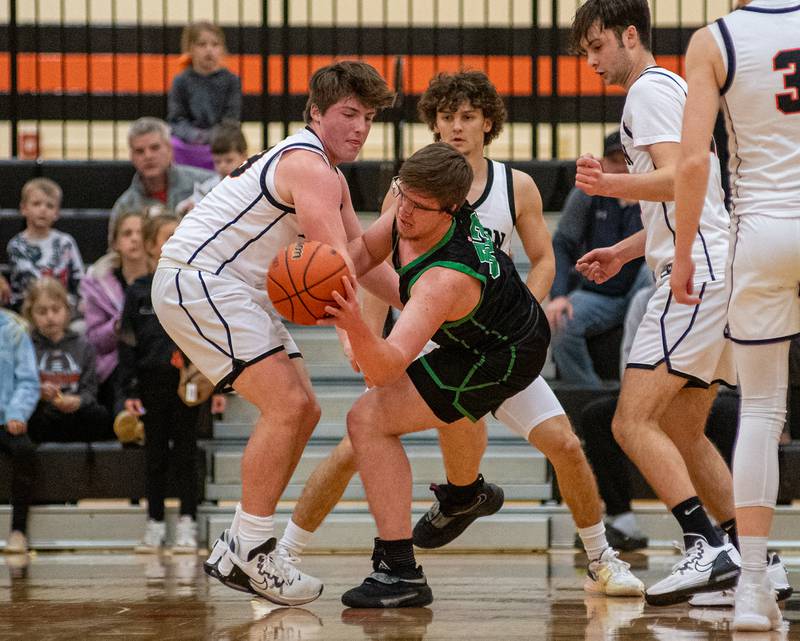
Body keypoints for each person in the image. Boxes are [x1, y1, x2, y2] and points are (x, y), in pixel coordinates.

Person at [270, 70, 643, 599]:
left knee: (559, 442)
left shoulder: (506, 194)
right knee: (363, 436)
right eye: (447, 117)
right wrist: (327, 285)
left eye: (467, 116)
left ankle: (599, 557)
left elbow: (543, 260)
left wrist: (355, 324)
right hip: (450, 328)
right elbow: (368, 258)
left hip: (496, 345)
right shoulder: (414, 190)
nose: (456, 126)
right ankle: (288, 550)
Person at [151, 60, 398, 604]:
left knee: (304, 408)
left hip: (231, 289)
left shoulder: (325, 171)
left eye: (369, 118)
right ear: (316, 112)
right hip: (200, 279)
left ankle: (242, 544)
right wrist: (354, 336)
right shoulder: (309, 166)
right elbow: (336, 262)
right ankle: (252, 549)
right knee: (287, 404)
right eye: (349, 114)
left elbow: (361, 258)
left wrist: (427, 305)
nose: (360, 127)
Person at [320, 142, 550, 608]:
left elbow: (384, 368)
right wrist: (321, 276)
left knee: (367, 419)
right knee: (438, 411)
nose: (402, 211)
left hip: (506, 352)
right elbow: (364, 250)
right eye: (401, 195)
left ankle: (399, 571)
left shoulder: (444, 278)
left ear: (452, 209)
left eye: (418, 206)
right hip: (480, 325)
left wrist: (352, 323)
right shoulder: (415, 203)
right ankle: (465, 495)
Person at [569, 0, 741, 607]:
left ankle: (705, 542)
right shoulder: (668, 90)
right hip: (715, 262)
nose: (591, 61)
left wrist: (609, 184)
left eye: (597, 46)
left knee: (629, 421)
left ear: (630, 35)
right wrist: (621, 251)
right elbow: (691, 197)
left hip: (695, 272)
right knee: (683, 429)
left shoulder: (648, 92)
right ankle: (748, 560)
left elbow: (678, 180)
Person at [671, 0, 800, 630]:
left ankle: (752, 588)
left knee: (761, 408)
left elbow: (695, 160)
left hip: (763, 233)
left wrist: (684, 249)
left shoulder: (714, 39)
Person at [118, 212, 210, 553]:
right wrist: (127, 391)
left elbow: (207, 338)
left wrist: (212, 383)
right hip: (150, 383)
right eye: (167, 237)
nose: (175, 241)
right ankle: (154, 523)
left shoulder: (195, 286)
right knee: (154, 454)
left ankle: (188, 522)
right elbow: (127, 344)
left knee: (186, 454)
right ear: (151, 246)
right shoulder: (139, 291)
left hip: (188, 385)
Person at [546, 131, 647, 387]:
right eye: (615, 160)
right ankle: (595, 396)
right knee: (559, 323)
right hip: (601, 293)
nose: (623, 168)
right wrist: (558, 295)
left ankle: (636, 396)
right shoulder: (588, 194)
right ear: (603, 163)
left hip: (645, 290)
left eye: (628, 160)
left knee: (650, 274)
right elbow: (561, 243)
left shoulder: (655, 191)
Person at [22, 278, 112, 444]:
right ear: (31, 315)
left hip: (75, 412)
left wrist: (78, 401)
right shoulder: (25, 347)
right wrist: (38, 392)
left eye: (56, 310)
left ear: (67, 311)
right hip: (43, 414)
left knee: (100, 414)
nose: (50, 317)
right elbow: (19, 389)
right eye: (42, 312)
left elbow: (90, 390)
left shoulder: (84, 346)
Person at [81, 210, 148, 417]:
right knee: (123, 372)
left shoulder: (166, 279)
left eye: (141, 233)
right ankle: (126, 419)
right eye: (127, 234)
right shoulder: (97, 283)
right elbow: (95, 340)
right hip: (115, 363)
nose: (135, 238)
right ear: (115, 243)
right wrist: (120, 325)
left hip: (156, 358)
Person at [108, 117, 214, 245]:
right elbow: (116, 253)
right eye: (139, 151)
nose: (148, 156)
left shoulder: (206, 184)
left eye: (155, 148)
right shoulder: (125, 207)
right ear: (132, 157)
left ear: (170, 150)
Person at [167, 21, 241, 170]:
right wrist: (194, 135)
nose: (209, 50)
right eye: (202, 45)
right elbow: (176, 119)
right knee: (171, 145)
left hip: (220, 142)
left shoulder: (231, 80)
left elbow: (231, 119)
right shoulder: (181, 80)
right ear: (190, 49)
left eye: (215, 45)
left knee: (232, 149)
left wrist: (213, 136)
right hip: (188, 144)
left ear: (222, 49)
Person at [6, 178, 84, 315]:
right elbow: (21, 287)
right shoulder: (16, 245)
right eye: (36, 204)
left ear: (57, 213)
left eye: (50, 206)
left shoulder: (66, 242)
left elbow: (80, 280)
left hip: (64, 312)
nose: (43, 210)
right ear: (24, 208)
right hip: (29, 312)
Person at [0, 309, 39, 555]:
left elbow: (28, 380)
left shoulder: (14, 330)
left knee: (25, 452)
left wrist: (16, 413)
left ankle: (18, 531)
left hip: (6, 419)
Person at [175, 122, 249, 216]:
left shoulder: (253, 182)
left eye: (229, 160)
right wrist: (185, 207)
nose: (222, 166)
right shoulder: (211, 186)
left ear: (244, 156)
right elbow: (184, 205)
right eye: (217, 161)